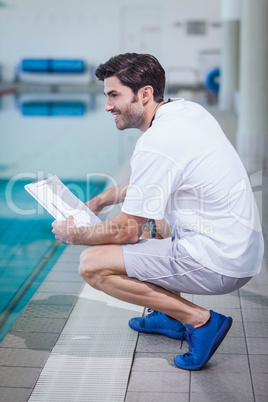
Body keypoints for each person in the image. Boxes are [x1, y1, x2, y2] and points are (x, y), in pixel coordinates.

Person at [52, 53, 264, 371]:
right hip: (240, 250)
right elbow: (148, 179)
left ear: (145, 94)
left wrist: (76, 233)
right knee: (154, 216)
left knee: (92, 264)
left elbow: (127, 230)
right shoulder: (186, 111)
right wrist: (98, 202)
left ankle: (200, 321)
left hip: (222, 262)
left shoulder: (157, 142)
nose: (108, 106)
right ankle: (168, 317)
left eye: (114, 95)